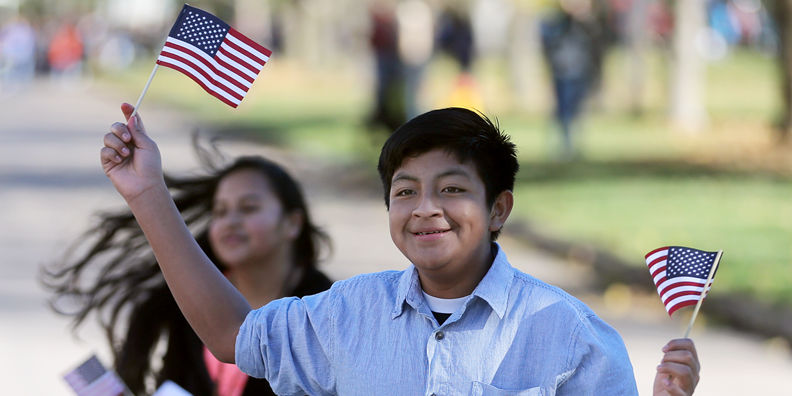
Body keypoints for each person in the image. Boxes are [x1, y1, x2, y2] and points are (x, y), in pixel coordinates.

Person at [100, 103, 700, 395]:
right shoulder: (345, 313)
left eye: (453, 190)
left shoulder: (571, 335)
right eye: (404, 191)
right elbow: (234, 337)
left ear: (499, 209)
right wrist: (148, 192)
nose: (425, 208)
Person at [44, 136, 333, 396]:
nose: (230, 222)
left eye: (248, 208)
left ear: (292, 223)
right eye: (220, 211)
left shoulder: (326, 311)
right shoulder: (186, 299)